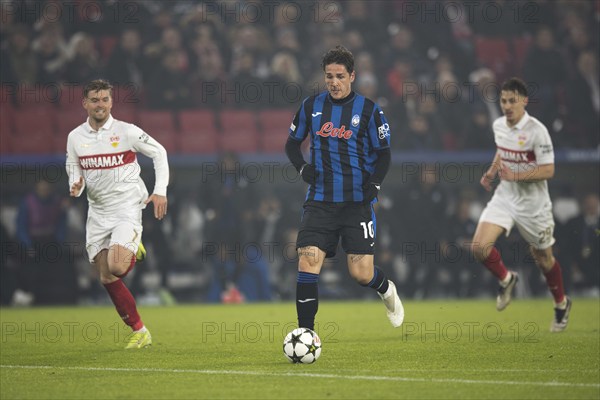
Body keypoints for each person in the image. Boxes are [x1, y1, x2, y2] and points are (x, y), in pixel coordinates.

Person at [284, 45, 404, 331]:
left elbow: (384, 154)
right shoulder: (311, 106)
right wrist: (302, 168)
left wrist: (374, 184)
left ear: (352, 76)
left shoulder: (370, 111)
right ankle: (306, 333)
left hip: (355, 204)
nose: (334, 82)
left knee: (361, 274)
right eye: (329, 76)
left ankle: (386, 289)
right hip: (320, 201)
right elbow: (291, 144)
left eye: (339, 76)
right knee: (308, 261)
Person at [66, 79, 169, 348]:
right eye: (95, 100)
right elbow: (73, 167)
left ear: (111, 102)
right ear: (85, 103)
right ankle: (139, 331)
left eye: (105, 99)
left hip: (127, 208)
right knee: (105, 277)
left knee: (117, 266)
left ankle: (133, 247)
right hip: (98, 212)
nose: (100, 104)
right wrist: (75, 183)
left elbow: (159, 152)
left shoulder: (127, 132)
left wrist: (160, 191)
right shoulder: (75, 137)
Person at [471, 77, 571, 332]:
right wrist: (492, 171)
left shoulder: (537, 131)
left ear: (524, 101)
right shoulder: (499, 125)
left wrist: (516, 175)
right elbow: (502, 149)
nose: (507, 105)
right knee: (479, 248)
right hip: (505, 197)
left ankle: (561, 303)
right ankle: (507, 279)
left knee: (544, 260)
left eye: (512, 101)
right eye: (503, 100)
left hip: (534, 205)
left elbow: (548, 169)